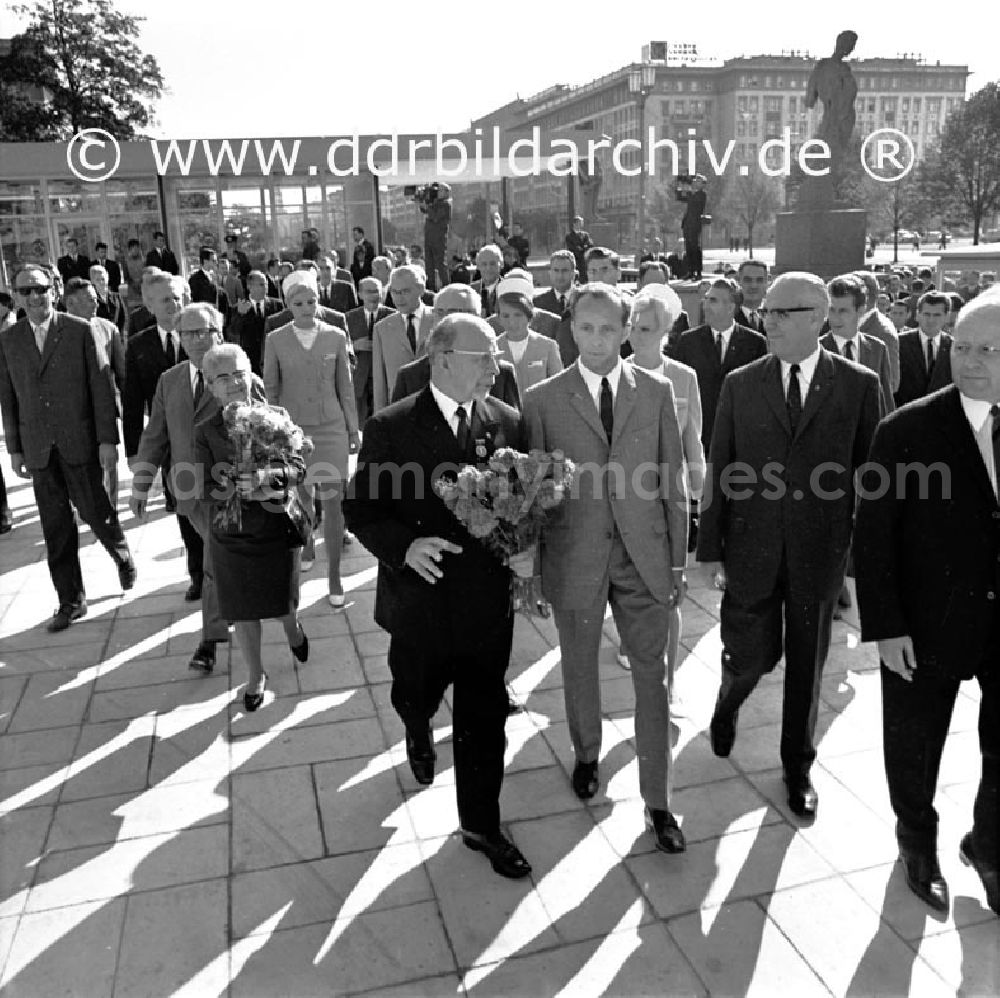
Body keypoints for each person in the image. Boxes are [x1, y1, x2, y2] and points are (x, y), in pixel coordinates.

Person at [344, 313, 530, 877]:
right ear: (442, 357)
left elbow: (521, 503)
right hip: (420, 603)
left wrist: (526, 551)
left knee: (484, 713)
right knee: (415, 692)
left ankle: (480, 824)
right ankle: (416, 724)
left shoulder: (509, 422)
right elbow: (361, 509)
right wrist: (405, 546)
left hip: (484, 605)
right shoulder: (391, 426)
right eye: (483, 356)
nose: (494, 368)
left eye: (496, 356)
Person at [697, 272, 881, 820]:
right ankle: (729, 702)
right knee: (750, 652)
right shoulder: (742, 383)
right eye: (767, 311)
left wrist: (863, 558)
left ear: (818, 317)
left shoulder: (858, 384)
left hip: (819, 551)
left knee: (808, 662)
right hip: (751, 548)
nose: (767, 321)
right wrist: (709, 548)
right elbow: (719, 469)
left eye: (782, 313)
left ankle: (797, 765)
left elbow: (872, 478)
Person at [522, 283, 689, 854]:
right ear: (571, 328)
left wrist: (676, 560)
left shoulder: (658, 391)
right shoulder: (543, 399)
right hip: (576, 556)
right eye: (585, 328)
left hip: (645, 557)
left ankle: (659, 801)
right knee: (580, 667)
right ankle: (587, 753)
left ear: (627, 330)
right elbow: (537, 493)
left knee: (654, 677)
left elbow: (673, 481)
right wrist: (538, 573)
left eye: (608, 329)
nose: (596, 340)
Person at [854, 289, 1000, 917]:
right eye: (963, 346)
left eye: (990, 349)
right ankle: (917, 844)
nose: (971, 360)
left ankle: (988, 846)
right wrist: (886, 627)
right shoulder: (906, 428)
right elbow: (873, 535)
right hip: (925, 623)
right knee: (914, 745)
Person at [0, 264, 135, 630]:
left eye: (40, 289)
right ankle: (70, 601)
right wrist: (14, 449)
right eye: (25, 291)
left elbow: (102, 389)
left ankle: (120, 553)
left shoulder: (78, 331)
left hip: (79, 443)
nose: (34, 297)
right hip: (39, 448)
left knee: (95, 510)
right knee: (56, 527)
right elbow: (8, 398)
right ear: (16, 296)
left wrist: (108, 440)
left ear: (53, 291)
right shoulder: (9, 340)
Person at [196, 343, 310, 711]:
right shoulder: (206, 431)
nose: (233, 383)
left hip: (275, 529)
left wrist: (267, 477)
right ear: (211, 386)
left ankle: (293, 629)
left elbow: (298, 467)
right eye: (222, 378)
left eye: (239, 374)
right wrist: (230, 485)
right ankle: (255, 674)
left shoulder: (276, 416)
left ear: (252, 376)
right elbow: (203, 486)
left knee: (281, 604)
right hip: (231, 536)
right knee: (243, 611)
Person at [129, 305, 243, 674]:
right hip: (190, 493)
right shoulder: (170, 380)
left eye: (203, 332)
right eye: (187, 334)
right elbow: (155, 435)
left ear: (218, 333)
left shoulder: (238, 373)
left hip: (230, 490)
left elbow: (259, 426)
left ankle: (210, 642)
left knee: (213, 561)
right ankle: (269, 614)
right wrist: (141, 484)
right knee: (223, 562)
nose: (195, 340)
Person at [620, 286, 706, 693]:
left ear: (666, 331)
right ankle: (632, 643)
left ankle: (668, 681)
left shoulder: (684, 377)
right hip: (627, 498)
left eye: (648, 328)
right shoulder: (615, 374)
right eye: (634, 327)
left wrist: (698, 497)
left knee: (670, 587)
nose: (639, 335)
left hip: (670, 499)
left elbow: (693, 442)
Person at [264, 271, 359, 606]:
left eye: (312, 302)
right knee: (303, 497)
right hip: (294, 433)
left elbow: (345, 387)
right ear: (288, 305)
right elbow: (270, 390)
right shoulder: (275, 339)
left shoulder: (334, 336)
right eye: (299, 303)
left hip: (331, 428)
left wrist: (352, 429)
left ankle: (334, 576)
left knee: (334, 502)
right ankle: (306, 543)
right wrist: (275, 434)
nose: (306, 308)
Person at [669, 277, 767, 450]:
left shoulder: (755, 343)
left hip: (739, 438)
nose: (705, 305)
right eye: (705, 299)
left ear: (731, 307)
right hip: (699, 437)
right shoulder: (688, 341)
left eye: (712, 300)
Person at [391, 285, 521, 410]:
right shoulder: (410, 376)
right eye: (439, 312)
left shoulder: (502, 374)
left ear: (478, 317)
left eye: (454, 313)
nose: (445, 320)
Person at [62, 278, 127, 500]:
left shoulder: (108, 329)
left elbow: (122, 375)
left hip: (103, 412)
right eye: (90, 300)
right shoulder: (56, 333)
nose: (97, 303)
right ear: (70, 303)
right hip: (71, 416)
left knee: (109, 464)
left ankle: (112, 511)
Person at [823, 276, 895, 416]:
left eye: (843, 311)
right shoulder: (816, 348)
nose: (835, 317)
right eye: (831, 310)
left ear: (861, 310)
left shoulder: (877, 348)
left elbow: (886, 401)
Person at [372, 265, 435, 412]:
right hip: (399, 412)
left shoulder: (439, 320)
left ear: (421, 289)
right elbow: (380, 382)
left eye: (405, 291)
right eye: (394, 292)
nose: (399, 298)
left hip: (436, 407)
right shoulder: (382, 328)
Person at [493, 274, 562, 394]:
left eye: (518, 315)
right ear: (498, 318)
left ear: (529, 315)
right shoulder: (493, 348)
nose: (512, 322)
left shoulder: (548, 346)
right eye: (506, 316)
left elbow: (559, 388)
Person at [345, 277, 394, 426]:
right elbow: (339, 347)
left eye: (376, 291)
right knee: (360, 420)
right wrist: (353, 345)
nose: (373, 296)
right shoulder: (349, 317)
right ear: (360, 294)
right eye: (369, 291)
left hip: (383, 375)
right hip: (360, 377)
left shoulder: (392, 316)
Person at [894, 291, 953, 408]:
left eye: (937, 315)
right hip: (905, 415)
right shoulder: (899, 343)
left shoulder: (954, 347)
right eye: (926, 314)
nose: (931, 320)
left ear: (947, 317)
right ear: (917, 315)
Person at [682, 175, 708, 280]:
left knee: (695, 247)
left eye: (698, 181)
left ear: (702, 184)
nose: (695, 183)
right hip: (688, 224)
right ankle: (690, 270)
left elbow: (695, 203)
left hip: (695, 224)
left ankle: (698, 271)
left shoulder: (702, 195)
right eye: (695, 181)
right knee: (688, 247)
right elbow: (681, 197)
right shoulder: (692, 194)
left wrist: (690, 191)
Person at [735, 260, 768, 333]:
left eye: (759, 280)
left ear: (767, 281)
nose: (753, 286)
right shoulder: (728, 317)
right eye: (748, 280)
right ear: (739, 281)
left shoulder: (776, 315)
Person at [565, 216, 593, 282]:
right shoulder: (569, 236)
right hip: (575, 261)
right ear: (574, 224)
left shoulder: (585, 235)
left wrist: (583, 248)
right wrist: (581, 248)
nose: (581, 225)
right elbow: (571, 247)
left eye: (581, 223)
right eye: (579, 223)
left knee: (585, 279)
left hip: (584, 261)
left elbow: (590, 244)